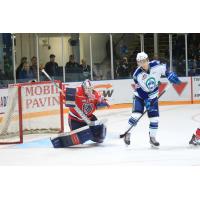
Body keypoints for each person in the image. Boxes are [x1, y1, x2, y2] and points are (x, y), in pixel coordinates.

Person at [123, 52, 181, 148]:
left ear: (148, 60)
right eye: (140, 62)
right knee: (136, 115)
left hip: (153, 96)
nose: (143, 63)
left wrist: (169, 73)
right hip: (139, 97)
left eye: (144, 61)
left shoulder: (156, 64)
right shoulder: (136, 75)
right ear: (138, 63)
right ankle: (127, 133)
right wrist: (146, 100)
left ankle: (152, 138)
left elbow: (165, 69)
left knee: (154, 119)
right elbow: (140, 90)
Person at [51, 79, 109, 148]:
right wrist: (66, 98)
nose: (89, 91)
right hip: (75, 120)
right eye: (87, 89)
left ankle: (92, 134)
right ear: (83, 87)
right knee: (79, 138)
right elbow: (62, 97)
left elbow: (105, 104)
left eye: (90, 89)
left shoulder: (96, 94)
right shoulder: (76, 91)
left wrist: (101, 102)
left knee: (99, 137)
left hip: (89, 119)